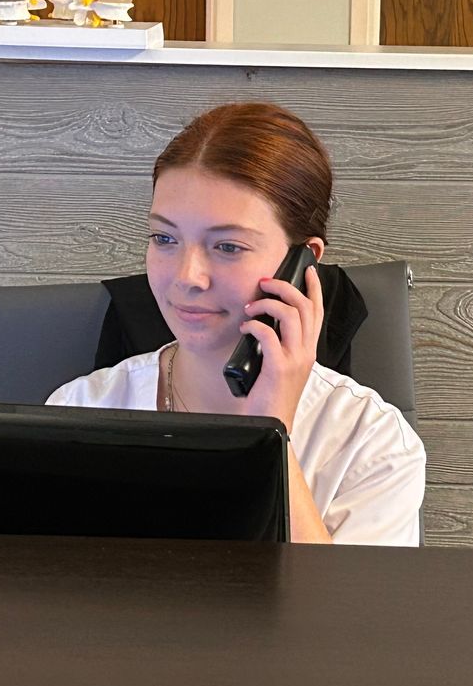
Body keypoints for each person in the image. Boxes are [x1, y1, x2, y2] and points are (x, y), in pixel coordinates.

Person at [48, 102, 424, 545]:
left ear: (303, 265)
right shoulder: (79, 414)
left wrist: (271, 436)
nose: (187, 277)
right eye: (164, 238)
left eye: (227, 247)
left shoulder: (371, 444)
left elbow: (342, 615)